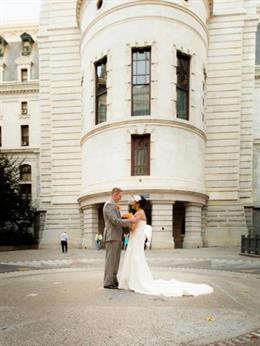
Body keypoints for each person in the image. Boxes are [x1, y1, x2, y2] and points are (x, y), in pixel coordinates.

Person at [119, 195, 214, 297]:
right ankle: (132, 279)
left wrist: (126, 221)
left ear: (137, 203)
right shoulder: (138, 213)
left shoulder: (139, 213)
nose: (131, 203)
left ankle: (137, 281)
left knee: (136, 258)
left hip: (136, 238)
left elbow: (132, 228)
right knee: (135, 257)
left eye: (133, 201)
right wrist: (129, 219)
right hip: (136, 238)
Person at [103, 187, 139, 289]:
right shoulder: (109, 205)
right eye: (120, 195)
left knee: (115, 261)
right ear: (115, 194)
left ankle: (113, 281)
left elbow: (117, 220)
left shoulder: (113, 205)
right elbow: (115, 221)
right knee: (111, 261)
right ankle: (108, 282)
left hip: (116, 236)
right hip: (112, 236)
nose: (121, 197)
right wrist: (130, 221)